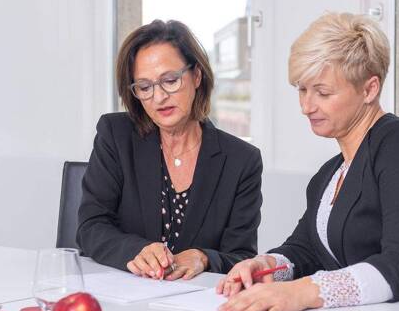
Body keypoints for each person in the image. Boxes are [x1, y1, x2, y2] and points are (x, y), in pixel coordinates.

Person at [216, 12, 399, 311]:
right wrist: (268, 265)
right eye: (302, 89)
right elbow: (305, 250)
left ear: (369, 89)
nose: (306, 106)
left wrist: (303, 291)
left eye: (323, 92)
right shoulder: (330, 174)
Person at [77, 19, 262, 281]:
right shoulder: (116, 135)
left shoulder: (241, 160)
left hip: (198, 302)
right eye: (144, 87)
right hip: (124, 292)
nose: (159, 97)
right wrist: (137, 251)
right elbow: (91, 227)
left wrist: (203, 257)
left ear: (197, 76)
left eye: (170, 80)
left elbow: (242, 256)